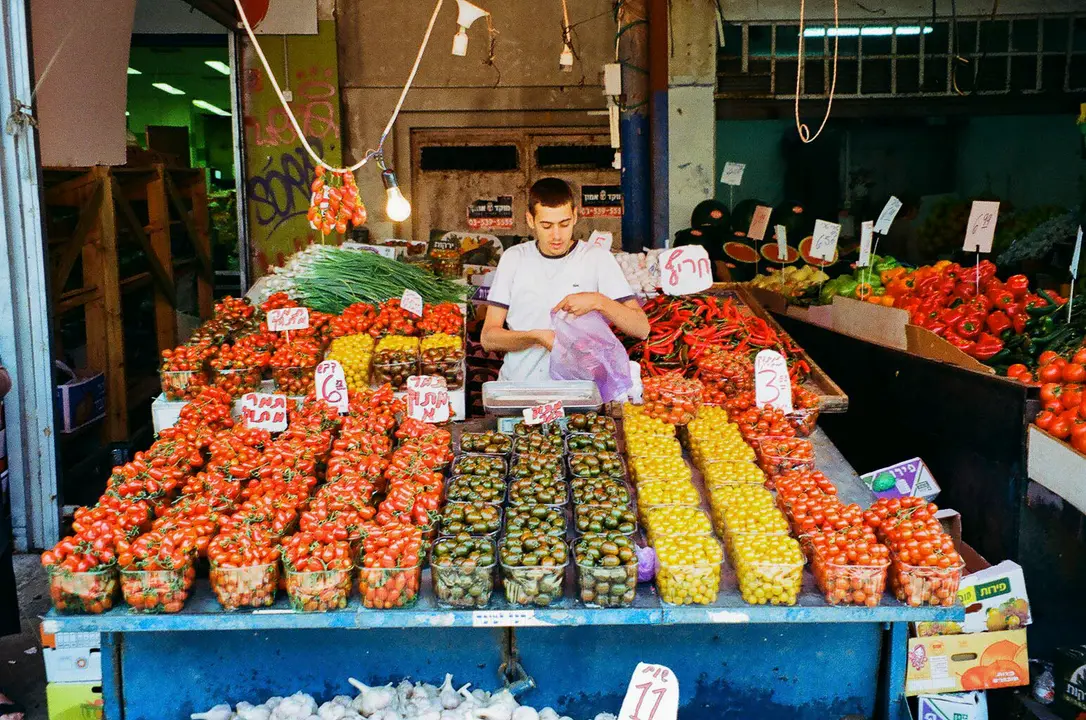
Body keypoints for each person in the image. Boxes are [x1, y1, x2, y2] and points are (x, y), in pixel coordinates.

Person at [481, 178, 650, 382]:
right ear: (530, 220)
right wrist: (537, 337)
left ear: (575, 216)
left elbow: (641, 328)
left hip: (581, 392)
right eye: (546, 226)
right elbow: (489, 337)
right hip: (519, 389)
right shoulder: (514, 258)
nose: (557, 235)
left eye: (564, 224)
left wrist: (599, 302)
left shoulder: (596, 259)